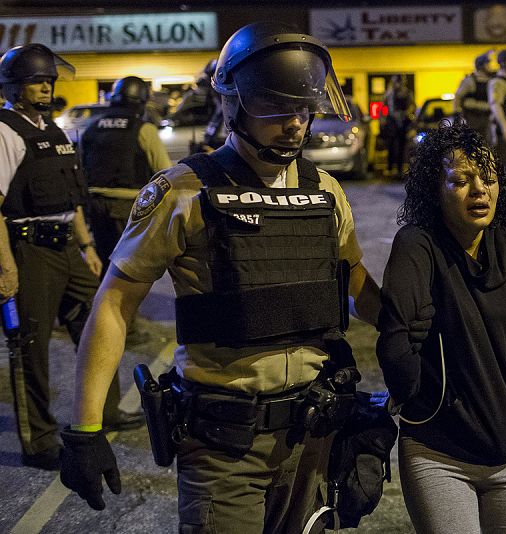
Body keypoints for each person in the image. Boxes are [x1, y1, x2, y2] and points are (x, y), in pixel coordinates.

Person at [59, 23, 381, 533]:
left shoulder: (326, 192)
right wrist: (85, 428)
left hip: (315, 437)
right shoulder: (182, 191)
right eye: (277, 108)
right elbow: (114, 305)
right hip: (226, 445)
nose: (296, 123)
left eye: (303, 108)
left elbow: (358, 285)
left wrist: (428, 322)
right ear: (233, 105)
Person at [377, 120, 506, 533]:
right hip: (440, 452)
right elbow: (396, 344)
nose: (480, 191)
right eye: (461, 181)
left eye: (488, 178)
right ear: (434, 191)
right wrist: (426, 400)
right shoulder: (418, 244)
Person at [0, 43, 105, 470]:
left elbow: (71, 198)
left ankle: (99, 415)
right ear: (15, 86)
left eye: (48, 80)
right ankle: (39, 442)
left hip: (66, 246)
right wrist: (5, 267)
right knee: (30, 346)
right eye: (35, 81)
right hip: (29, 250)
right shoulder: (5, 130)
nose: (45, 86)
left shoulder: (52, 129)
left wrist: (87, 247)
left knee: (98, 322)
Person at [81, 75, 172, 355]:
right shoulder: (142, 129)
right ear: (141, 102)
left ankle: (102, 321)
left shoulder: (93, 126)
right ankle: (125, 330)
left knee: (104, 268)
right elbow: (164, 172)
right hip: (129, 207)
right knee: (128, 272)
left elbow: (81, 165)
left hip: (95, 205)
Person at [488, 49, 506, 179]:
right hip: (503, 130)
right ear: (503, 64)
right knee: (502, 166)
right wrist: (504, 127)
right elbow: (495, 105)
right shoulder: (498, 82)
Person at [453, 50, 494, 140]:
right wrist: (457, 114)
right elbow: (458, 97)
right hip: (473, 119)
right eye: (487, 64)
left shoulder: (491, 80)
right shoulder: (470, 81)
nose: (490, 67)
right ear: (481, 65)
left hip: (487, 119)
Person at [382, 74, 415, 178]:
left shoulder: (406, 93)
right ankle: (390, 168)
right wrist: (382, 119)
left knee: (401, 145)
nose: (397, 84)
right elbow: (383, 107)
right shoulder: (389, 93)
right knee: (391, 145)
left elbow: (412, 105)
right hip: (392, 121)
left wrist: (406, 113)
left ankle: (399, 168)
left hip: (403, 120)